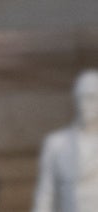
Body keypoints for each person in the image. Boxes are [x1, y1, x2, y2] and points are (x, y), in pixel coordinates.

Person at [33, 69, 98, 212]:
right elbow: (45, 194)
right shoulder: (56, 143)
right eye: (81, 98)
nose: (85, 104)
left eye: (92, 97)